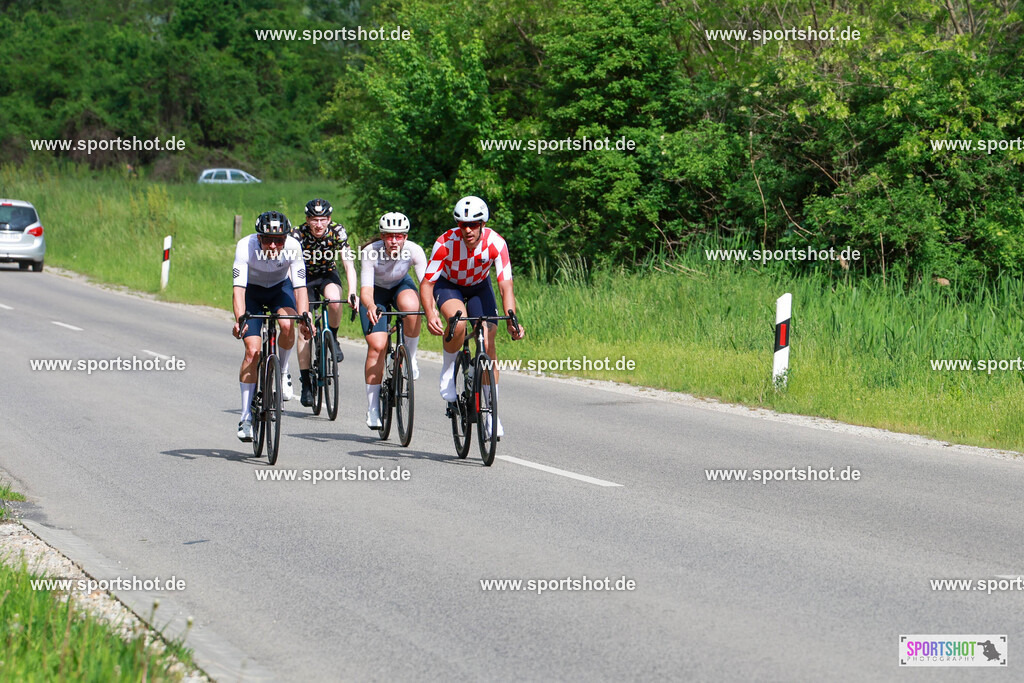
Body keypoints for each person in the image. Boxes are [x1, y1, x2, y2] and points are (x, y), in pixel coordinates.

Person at [420, 196, 525, 439]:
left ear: (483, 223)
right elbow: (427, 284)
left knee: (488, 342)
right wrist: (429, 313)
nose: (468, 229)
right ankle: (447, 371)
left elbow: (505, 286)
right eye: (463, 224)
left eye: (474, 224)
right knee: (458, 321)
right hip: (449, 286)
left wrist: (512, 319)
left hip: (479, 286)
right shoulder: (445, 243)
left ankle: (492, 414)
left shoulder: (496, 243)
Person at [231, 211, 311, 441]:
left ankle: (283, 371)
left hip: (279, 289)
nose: (274, 245)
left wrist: (304, 318)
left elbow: (300, 288)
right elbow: (238, 290)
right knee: (252, 351)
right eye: (268, 240)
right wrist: (240, 320)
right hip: (252, 293)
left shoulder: (294, 246)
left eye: (279, 240)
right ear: (259, 238)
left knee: (288, 324)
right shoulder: (245, 246)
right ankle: (246, 417)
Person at [360, 212, 427, 428]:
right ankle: (372, 409)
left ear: (405, 237)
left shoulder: (414, 250)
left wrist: (432, 310)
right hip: (375, 294)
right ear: (382, 236)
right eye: (389, 236)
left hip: (400, 285)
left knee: (412, 306)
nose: (394, 241)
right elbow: (366, 290)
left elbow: (425, 284)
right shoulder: (371, 252)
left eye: (399, 236)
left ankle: (411, 357)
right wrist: (370, 306)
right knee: (377, 346)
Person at [291, 198, 358, 407]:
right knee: (306, 325)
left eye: (322, 220)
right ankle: (306, 383)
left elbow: (348, 263)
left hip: (327, 274)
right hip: (303, 279)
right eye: (314, 220)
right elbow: (289, 267)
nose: (318, 225)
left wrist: (353, 291)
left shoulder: (337, 231)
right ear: (307, 220)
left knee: (335, 300)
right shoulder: (297, 234)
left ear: (329, 219)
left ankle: (334, 339)